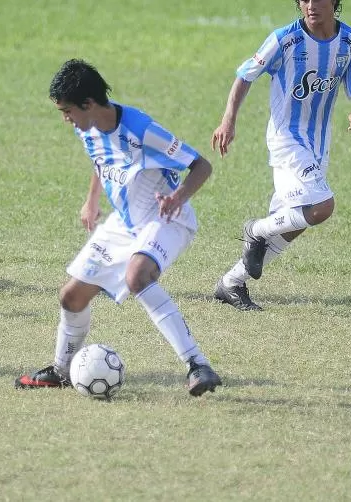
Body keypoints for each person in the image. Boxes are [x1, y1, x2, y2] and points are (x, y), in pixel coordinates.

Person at [15, 60, 222, 397]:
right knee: (71, 296)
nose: (65, 118)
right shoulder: (86, 128)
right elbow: (102, 162)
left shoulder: (142, 130)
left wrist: (177, 197)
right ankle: (61, 370)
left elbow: (201, 165)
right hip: (124, 223)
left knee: (137, 276)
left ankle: (198, 364)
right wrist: (91, 200)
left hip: (166, 217)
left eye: (67, 111)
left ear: (89, 104)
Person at [210, 0, 351, 311]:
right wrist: (229, 121)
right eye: (304, 0)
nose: (311, 5)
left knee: (291, 225)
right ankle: (254, 229)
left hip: (318, 144)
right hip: (286, 140)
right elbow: (244, 76)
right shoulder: (285, 39)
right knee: (320, 208)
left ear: (334, 0)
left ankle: (231, 283)